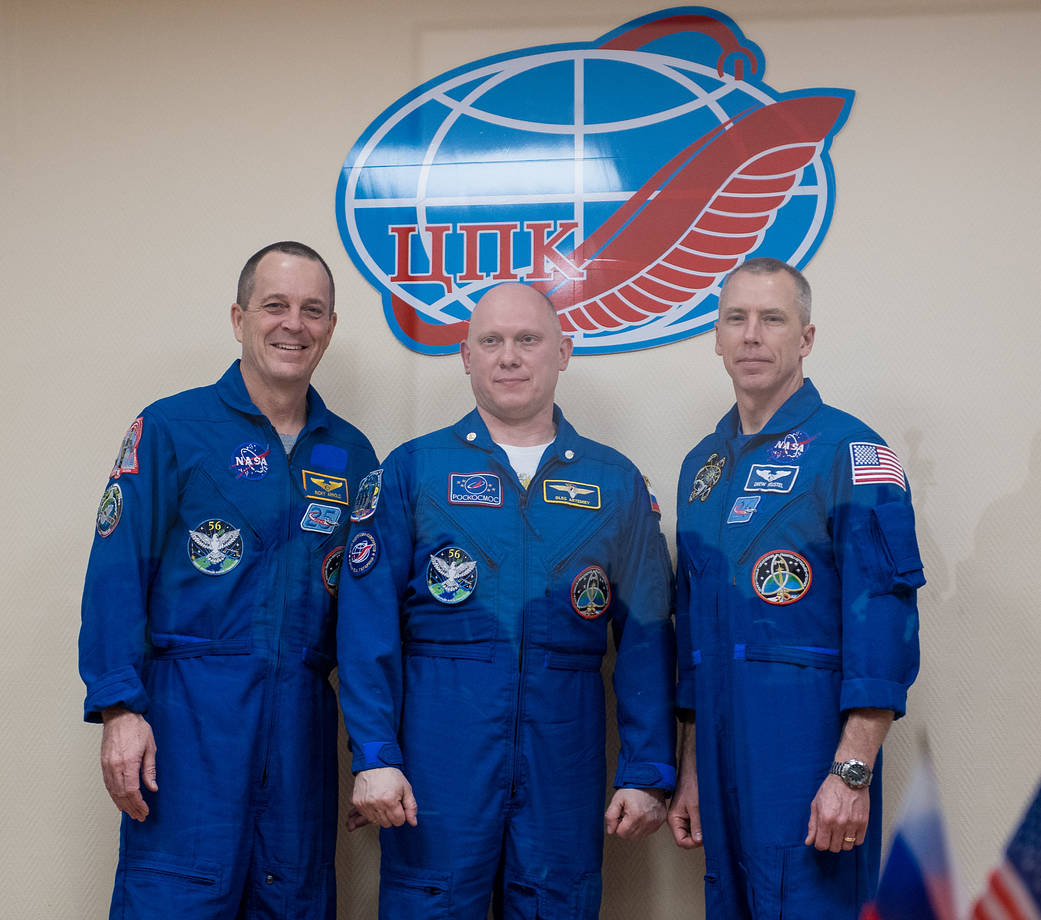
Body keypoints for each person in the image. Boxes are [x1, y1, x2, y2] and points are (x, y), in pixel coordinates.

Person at [337, 282, 676, 918]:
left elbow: (647, 639)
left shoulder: (616, 483)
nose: (509, 356)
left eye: (528, 339)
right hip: (437, 767)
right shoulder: (412, 471)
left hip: (564, 763)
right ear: (466, 357)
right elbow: (365, 625)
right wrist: (375, 756)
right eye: (490, 341)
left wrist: (647, 770)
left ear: (563, 352)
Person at [79, 241, 378, 918]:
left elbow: (367, 619)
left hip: (301, 722)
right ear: (239, 317)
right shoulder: (169, 428)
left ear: (330, 327)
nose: (292, 324)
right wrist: (119, 707)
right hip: (187, 719)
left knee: (292, 897)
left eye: (312, 310)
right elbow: (116, 572)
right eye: (275, 305)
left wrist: (372, 746)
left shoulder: (351, 454)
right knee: (174, 898)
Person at [668, 258, 924, 918]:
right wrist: (691, 768)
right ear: (717, 337)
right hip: (722, 757)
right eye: (735, 319)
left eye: (771, 319)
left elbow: (882, 629)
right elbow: (695, 639)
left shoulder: (851, 453)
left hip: (806, 752)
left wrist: (852, 772)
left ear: (804, 338)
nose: (751, 335)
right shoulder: (702, 467)